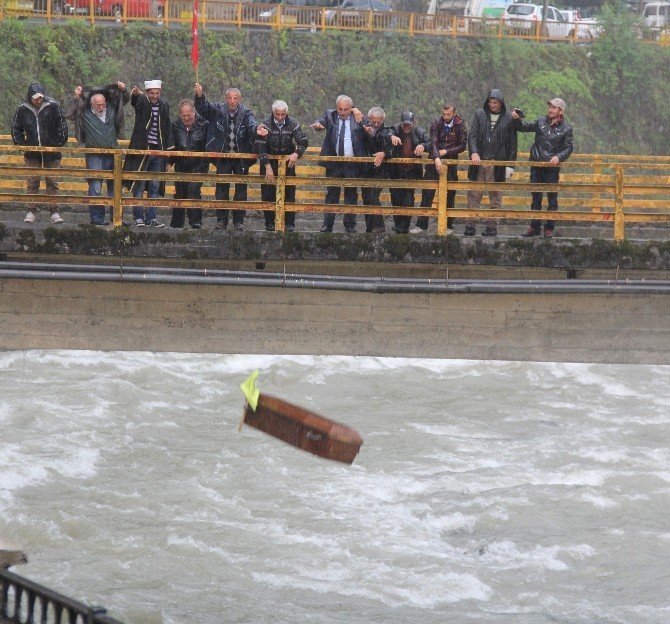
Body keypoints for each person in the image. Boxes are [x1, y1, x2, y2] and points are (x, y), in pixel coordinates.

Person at [194, 85, 263, 231]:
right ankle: (221, 220)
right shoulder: (218, 110)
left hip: (241, 157)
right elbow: (204, 108)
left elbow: (252, 125)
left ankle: (239, 221)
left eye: (235, 98)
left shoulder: (246, 113)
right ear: (226, 99)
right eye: (230, 98)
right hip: (223, 156)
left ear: (239, 99)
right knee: (221, 189)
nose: (232, 101)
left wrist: (257, 129)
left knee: (241, 190)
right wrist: (200, 95)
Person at [65, 81, 130, 225]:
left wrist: (123, 90)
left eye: (103, 104)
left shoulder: (112, 110)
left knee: (115, 187)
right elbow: (69, 113)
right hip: (94, 154)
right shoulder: (85, 113)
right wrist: (76, 98)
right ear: (92, 104)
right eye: (98, 105)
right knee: (95, 187)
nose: (101, 107)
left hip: (113, 153)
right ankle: (97, 218)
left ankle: (117, 217)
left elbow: (124, 99)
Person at [514, 98, 574, 238]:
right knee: (536, 197)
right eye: (550, 107)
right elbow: (523, 127)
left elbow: (569, 147)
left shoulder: (566, 128)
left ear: (560, 111)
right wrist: (517, 119)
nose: (550, 109)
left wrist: (559, 157)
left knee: (552, 198)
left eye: (554, 107)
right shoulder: (541, 121)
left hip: (552, 167)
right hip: (536, 164)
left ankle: (549, 228)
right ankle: (534, 226)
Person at [11, 82, 68, 224]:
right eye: (35, 98)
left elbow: (62, 125)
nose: (38, 100)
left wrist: (58, 143)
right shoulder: (22, 109)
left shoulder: (53, 105)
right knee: (32, 181)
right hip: (32, 152)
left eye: (40, 97)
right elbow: (16, 128)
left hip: (51, 151)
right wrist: (22, 144)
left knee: (52, 182)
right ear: (30, 97)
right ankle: (31, 210)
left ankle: (54, 211)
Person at [465, 89, 518, 237]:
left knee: (496, 196)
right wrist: (474, 152)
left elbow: (512, 144)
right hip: (479, 161)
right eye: (490, 102)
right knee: (474, 195)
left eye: (495, 102)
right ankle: (470, 225)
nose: (492, 105)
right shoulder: (479, 114)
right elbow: (473, 135)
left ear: (501, 103)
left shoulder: (508, 118)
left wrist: (510, 165)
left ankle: (491, 226)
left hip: (498, 162)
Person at [310, 95, 367, 233]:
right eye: (340, 109)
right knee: (332, 194)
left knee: (351, 194)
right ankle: (327, 224)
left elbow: (370, 125)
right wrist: (318, 125)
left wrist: (358, 113)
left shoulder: (357, 117)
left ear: (351, 108)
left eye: (346, 109)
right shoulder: (330, 115)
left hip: (352, 162)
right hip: (334, 162)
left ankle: (350, 225)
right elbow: (321, 121)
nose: (342, 112)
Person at [122, 79, 172, 227]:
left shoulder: (164, 105)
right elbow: (135, 103)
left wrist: (168, 155)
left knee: (154, 186)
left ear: (160, 92)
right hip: (142, 150)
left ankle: (152, 218)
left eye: (157, 93)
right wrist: (137, 95)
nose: (154, 95)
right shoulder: (143, 102)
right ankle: (138, 217)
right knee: (139, 184)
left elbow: (167, 128)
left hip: (158, 151)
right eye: (151, 93)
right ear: (147, 92)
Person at [412, 103, 467, 235]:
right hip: (433, 163)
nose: (446, 117)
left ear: (454, 113)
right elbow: (433, 142)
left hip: (451, 163)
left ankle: (448, 226)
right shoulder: (436, 123)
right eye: (444, 114)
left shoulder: (460, 125)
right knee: (427, 194)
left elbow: (462, 145)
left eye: (448, 114)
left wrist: (446, 152)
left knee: (450, 196)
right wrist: (436, 157)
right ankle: (421, 225)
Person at [256, 100, 309, 232]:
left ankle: (290, 224)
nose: (280, 117)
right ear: (273, 112)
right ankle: (269, 224)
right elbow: (260, 146)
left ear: (286, 113)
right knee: (268, 193)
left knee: (289, 193)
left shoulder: (293, 124)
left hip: (288, 162)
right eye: (277, 114)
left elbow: (303, 140)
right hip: (269, 160)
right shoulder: (265, 124)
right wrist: (267, 166)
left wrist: (297, 153)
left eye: (282, 114)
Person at [167, 100, 209, 229]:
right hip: (181, 164)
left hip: (199, 164)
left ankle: (195, 222)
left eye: (189, 115)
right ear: (180, 115)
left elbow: (208, 145)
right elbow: (172, 145)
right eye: (183, 115)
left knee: (193, 191)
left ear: (194, 113)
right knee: (179, 193)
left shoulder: (204, 124)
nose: (186, 118)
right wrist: (169, 162)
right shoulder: (175, 125)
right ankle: (177, 223)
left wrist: (205, 161)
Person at [387, 111, 430, 234]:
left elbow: (430, 142)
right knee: (395, 198)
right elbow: (386, 134)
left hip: (411, 170)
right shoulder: (395, 129)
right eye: (404, 124)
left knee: (408, 199)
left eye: (408, 124)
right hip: (396, 170)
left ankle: (404, 226)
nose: (406, 127)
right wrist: (392, 137)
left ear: (413, 123)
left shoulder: (419, 132)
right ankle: (398, 224)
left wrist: (423, 146)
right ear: (401, 123)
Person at [361, 107, 392, 234]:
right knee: (366, 198)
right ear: (369, 120)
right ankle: (370, 227)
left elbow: (391, 147)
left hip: (381, 170)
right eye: (373, 122)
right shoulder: (363, 129)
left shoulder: (387, 131)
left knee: (373, 196)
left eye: (379, 122)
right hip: (366, 169)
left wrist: (384, 152)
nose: (376, 124)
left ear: (383, 120)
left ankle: (379, 225)